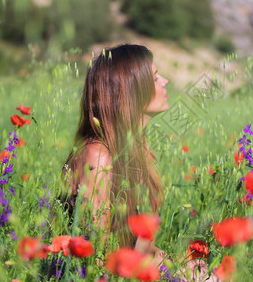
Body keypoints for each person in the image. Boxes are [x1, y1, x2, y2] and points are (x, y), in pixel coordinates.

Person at [64, 44, 217, 281]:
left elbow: (134, 247)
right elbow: (97, 261)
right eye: (155, 78)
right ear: (130, 92)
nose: (165, 81)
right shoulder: (98, 158)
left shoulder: (132, 150)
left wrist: (178, 266)